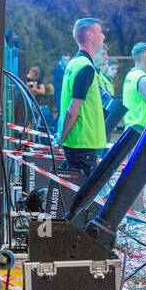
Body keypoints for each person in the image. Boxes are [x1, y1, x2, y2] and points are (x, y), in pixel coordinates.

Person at [55, 18, 108, 177]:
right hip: (83, 143)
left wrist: (61, 138)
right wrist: (60, 140)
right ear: (89, 34)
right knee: (86, 199)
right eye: (100, 31)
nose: (103, 36)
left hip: (76, 142)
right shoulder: (86, 67)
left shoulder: (74, 63)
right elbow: (73, 110)